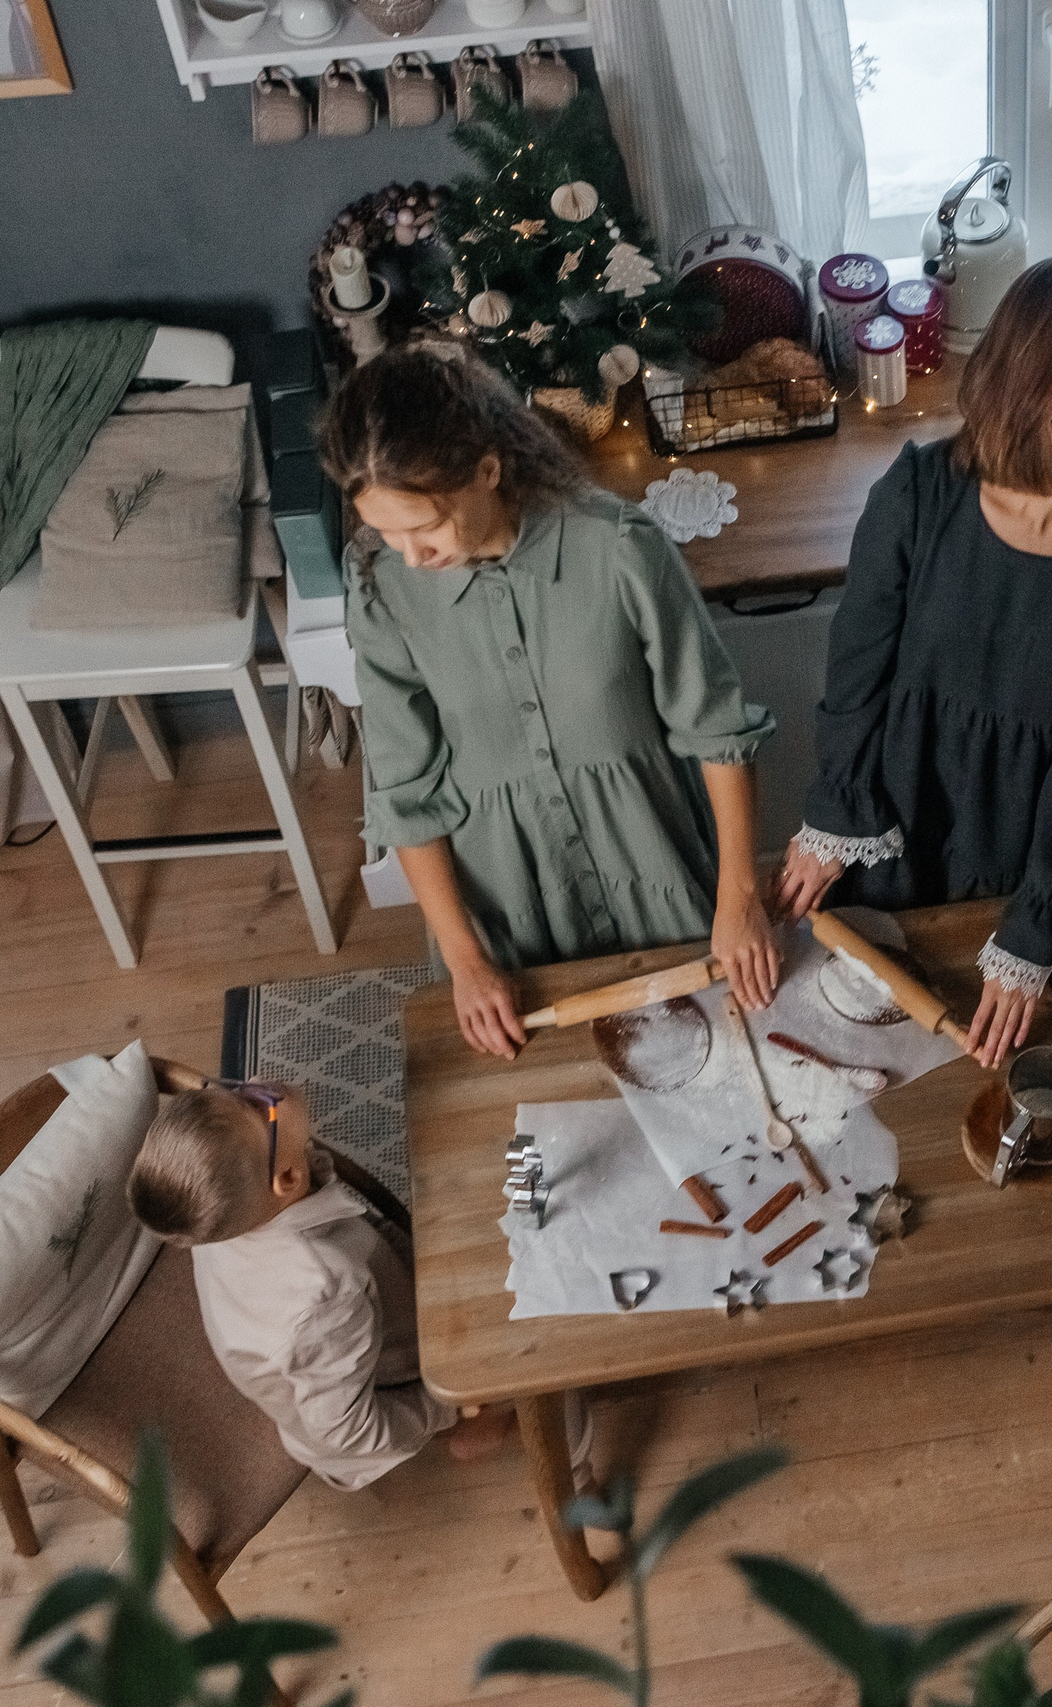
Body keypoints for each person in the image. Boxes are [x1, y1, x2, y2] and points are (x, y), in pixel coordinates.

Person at [772, 247, 1052, 1065]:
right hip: (908, 809)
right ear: (1040, 372)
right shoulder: (922, 492)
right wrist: (835, 808)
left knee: (1032, 1052)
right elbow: (856, 672)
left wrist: (1035, 924)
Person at [321, 345, 782, 1059]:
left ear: (487, 468)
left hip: (657, 872)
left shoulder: (619, 549)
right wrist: (467, 960)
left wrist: (740, 898)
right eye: (386, 532)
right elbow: (405, 791)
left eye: (427, 527)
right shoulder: (383, 587)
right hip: (503, 916)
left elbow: (717, 731)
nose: (411, 556)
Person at [126, 1079, 512, 1487]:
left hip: (360, 1314)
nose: (256, 1080)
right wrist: (447, 1405)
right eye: (259, 1106)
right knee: (531, 1363)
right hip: (395, 1371)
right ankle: (505, 1429)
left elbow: (354, 1232)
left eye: (227, 1085)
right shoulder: (325, 1295)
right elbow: (349, 1431)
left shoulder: (222, 1209)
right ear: (288, 1178)